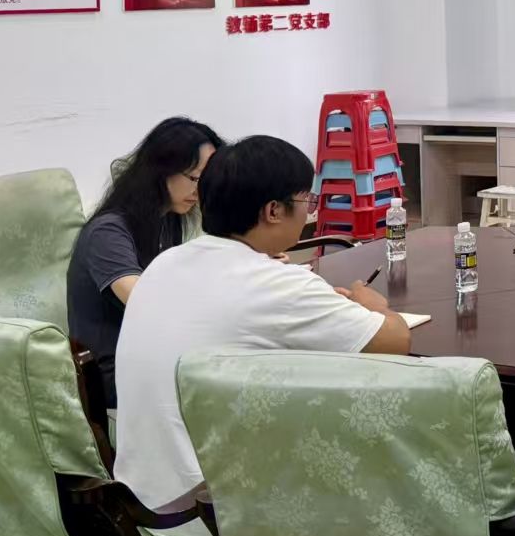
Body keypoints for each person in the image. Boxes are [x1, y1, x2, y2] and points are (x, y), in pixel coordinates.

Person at [114, 135, 411, 513]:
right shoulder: (277, 284)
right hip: (212, 511)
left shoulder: (166, 263)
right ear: (273, 210)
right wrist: (375, 305)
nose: (309, 213)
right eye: (307, 202)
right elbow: (394, 342)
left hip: (141, 499)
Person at [66, 118, 223, 407]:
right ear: (161, 171)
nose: (201, 191)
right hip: (113, 373)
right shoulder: (108, 232)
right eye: (195, 179)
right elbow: (145, 301)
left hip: (150, 355)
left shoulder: (167, 220)